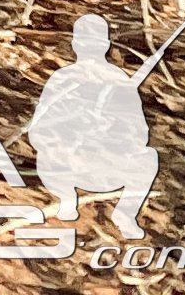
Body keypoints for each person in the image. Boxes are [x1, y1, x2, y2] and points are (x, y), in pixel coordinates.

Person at [30, 14, 161, 238]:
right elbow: (37, 132)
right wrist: (76, 129)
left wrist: (107, 131)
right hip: (66, 165)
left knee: (148, 157)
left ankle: (124, 215)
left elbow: (138, 135)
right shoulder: (63, 79)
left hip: (102, 167)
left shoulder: (116, 80)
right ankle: (67, 200)